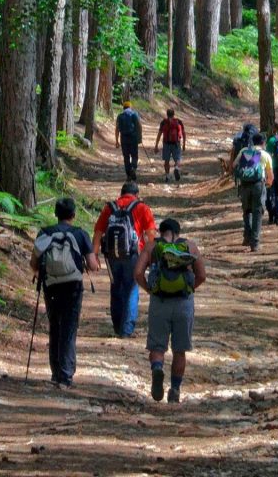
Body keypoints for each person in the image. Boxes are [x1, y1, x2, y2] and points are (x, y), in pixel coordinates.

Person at [134, 218, 206, 404]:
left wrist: (150, 290)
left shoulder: (152, 247)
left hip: (160, 302)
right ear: (178, 232)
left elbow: (138, 273)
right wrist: (190, 288)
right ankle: (175, 388)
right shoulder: (190, 246)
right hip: (184, 302)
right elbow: (202, 275)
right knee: (180, 350)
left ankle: (157, 368)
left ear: (160, 231)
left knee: (157, 346)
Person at [29, 198, 99, 388]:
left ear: (55, 214)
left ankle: (56, 371)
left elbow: (34, 263)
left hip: (51, 285)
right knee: (69, 327)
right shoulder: (80, 234)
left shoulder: (45, 233)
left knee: (55, 325)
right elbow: (93, 265)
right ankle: (66, 375)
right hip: (73, 286)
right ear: (74, 215)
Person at [93, 182, 157, 338]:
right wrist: (151, 257)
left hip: (111, 255)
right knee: (131, 288)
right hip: (133, 254)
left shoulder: (110, 207)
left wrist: (94, 254)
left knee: (116, 288)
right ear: (136, 194)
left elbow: (98, 232)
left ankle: (117, 325)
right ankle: (126, 329)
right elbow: (151, 235)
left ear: (121, 193)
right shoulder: (142, 208)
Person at [233, 133, 274, 252]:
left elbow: (234, 165)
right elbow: (270, 175)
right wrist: (268, 184)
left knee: (246, 210)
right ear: (263, 143)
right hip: (258, 185)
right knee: (257, 212)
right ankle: (255, 242)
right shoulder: (265, 155)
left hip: (244, 185)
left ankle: (247, 236)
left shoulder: (244, 151)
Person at [154, 108, 186, 183]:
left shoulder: (163, 122)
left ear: (167, 114)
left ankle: (167, 176)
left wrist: (156, 145)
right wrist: (184, 143)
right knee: (177, 159)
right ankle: (176, 168)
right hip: (176, 143)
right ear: (174, 114)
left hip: (166, 143)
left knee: (166, 161)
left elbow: (159, 134)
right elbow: (183, 133)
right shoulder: (178, 121)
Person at [115, 101, 143, 181]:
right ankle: (133, 168)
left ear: (123, 108)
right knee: (134, 155)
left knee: (126, 157)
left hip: (124, 139)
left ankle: (128, 174)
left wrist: (117, 141)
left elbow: (117, 129)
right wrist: (140, 137)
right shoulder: (134, 114)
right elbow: (139, 126)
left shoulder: (120, 116)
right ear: (130, 107)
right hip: (133, 138)